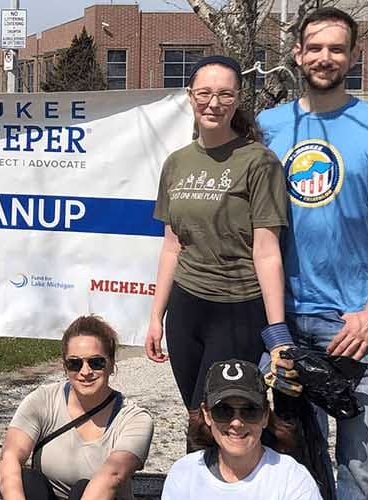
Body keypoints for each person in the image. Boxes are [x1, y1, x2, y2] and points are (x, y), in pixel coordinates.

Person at [255, 7, 368, 500]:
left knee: (360, 460)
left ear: (354, 55)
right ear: (297, 53)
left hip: (351, 323)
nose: (324, 57)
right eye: (315, 47)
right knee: (292, 458)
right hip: (284, 320)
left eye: (336, 48)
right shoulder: (268, 126)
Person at [144, 54, 289, 415]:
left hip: (238, 308)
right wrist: (156, 317)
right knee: (197, 415)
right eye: (205, 93)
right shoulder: (177, 162)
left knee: (220, 413)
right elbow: (172, 246)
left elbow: (267, 251)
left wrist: (277, 333)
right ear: (190, 96)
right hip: (186, 308)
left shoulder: (259, 161)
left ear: (238, 99)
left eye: (225, 94)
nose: (213, 103)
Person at [0, 316, 154, 500]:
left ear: (111, 364)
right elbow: (10, 457)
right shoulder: (42, 400)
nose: (85, 372)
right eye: (75, 364)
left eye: (96, 363)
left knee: (83, 487)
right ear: (65, 367)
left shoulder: (135, 419)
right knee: (28, 481)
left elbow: (112, 477)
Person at [161, 359, 321, 500]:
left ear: (265, 415)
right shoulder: (185, 473)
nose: (236, 423)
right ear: (207, 414)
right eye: (223, 411)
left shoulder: (292, 479)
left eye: (250, 411)